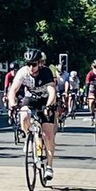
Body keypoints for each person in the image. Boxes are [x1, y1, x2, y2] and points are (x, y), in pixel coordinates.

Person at [8, 49, 58, 179]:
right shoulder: (23, 72)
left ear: (39, 63)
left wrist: (49, 106)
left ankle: (49, 167)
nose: (31, 67)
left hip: (45, 100)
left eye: (34, 64)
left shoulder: (46, 72)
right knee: (23, 115)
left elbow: (52, 91)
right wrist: (12, 104)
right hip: (31, 99)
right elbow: (13, 89)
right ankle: (28, 136)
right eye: (28, 64)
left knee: (48, 134)